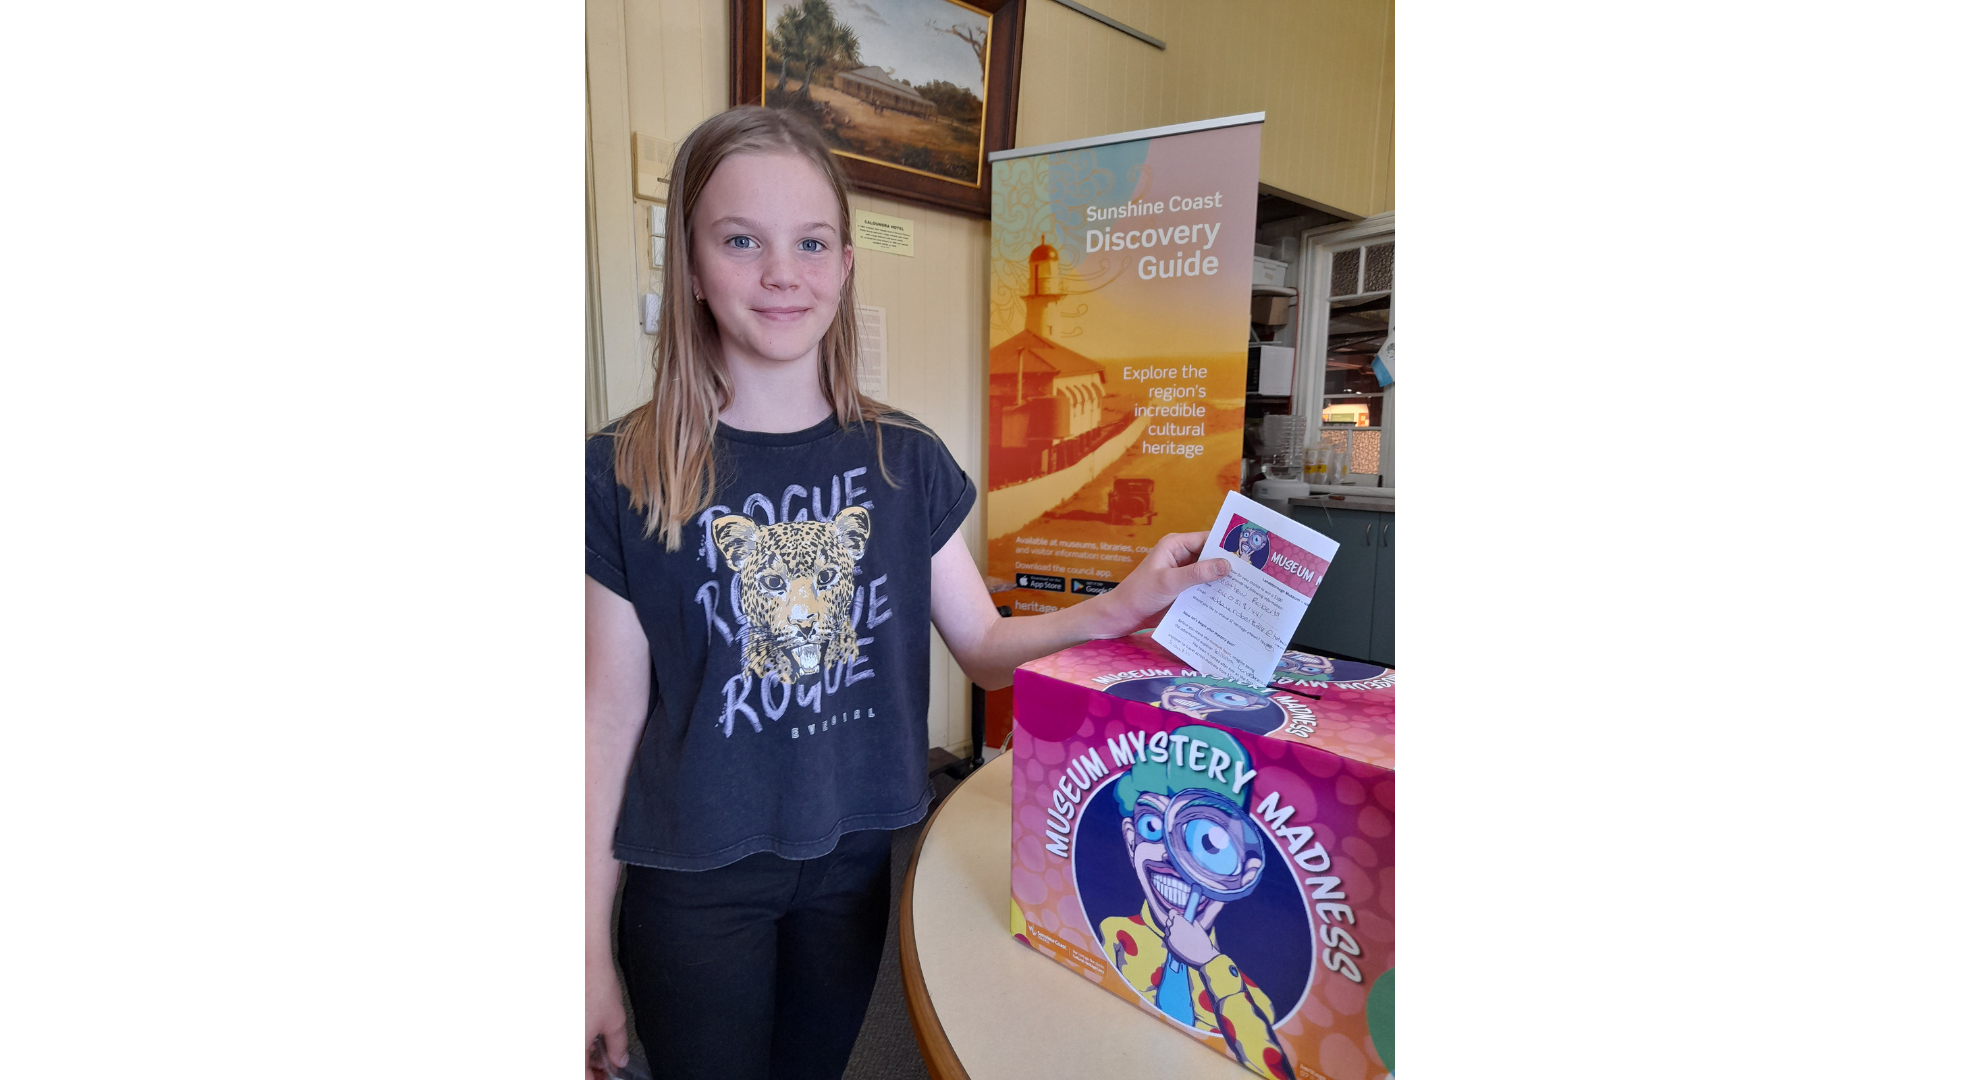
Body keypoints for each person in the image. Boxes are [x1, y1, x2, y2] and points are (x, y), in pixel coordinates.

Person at [584, 106, 1231, 1080]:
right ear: (691, 264)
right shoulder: (624, 470)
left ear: (846, 266)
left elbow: (977, 643)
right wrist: (586, 941)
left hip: (850, 862)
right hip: (692, 877)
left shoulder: (903, 461)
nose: (780, 273)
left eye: (810, 242)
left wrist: (1121, 605)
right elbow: (605, 718)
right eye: (740, 240)